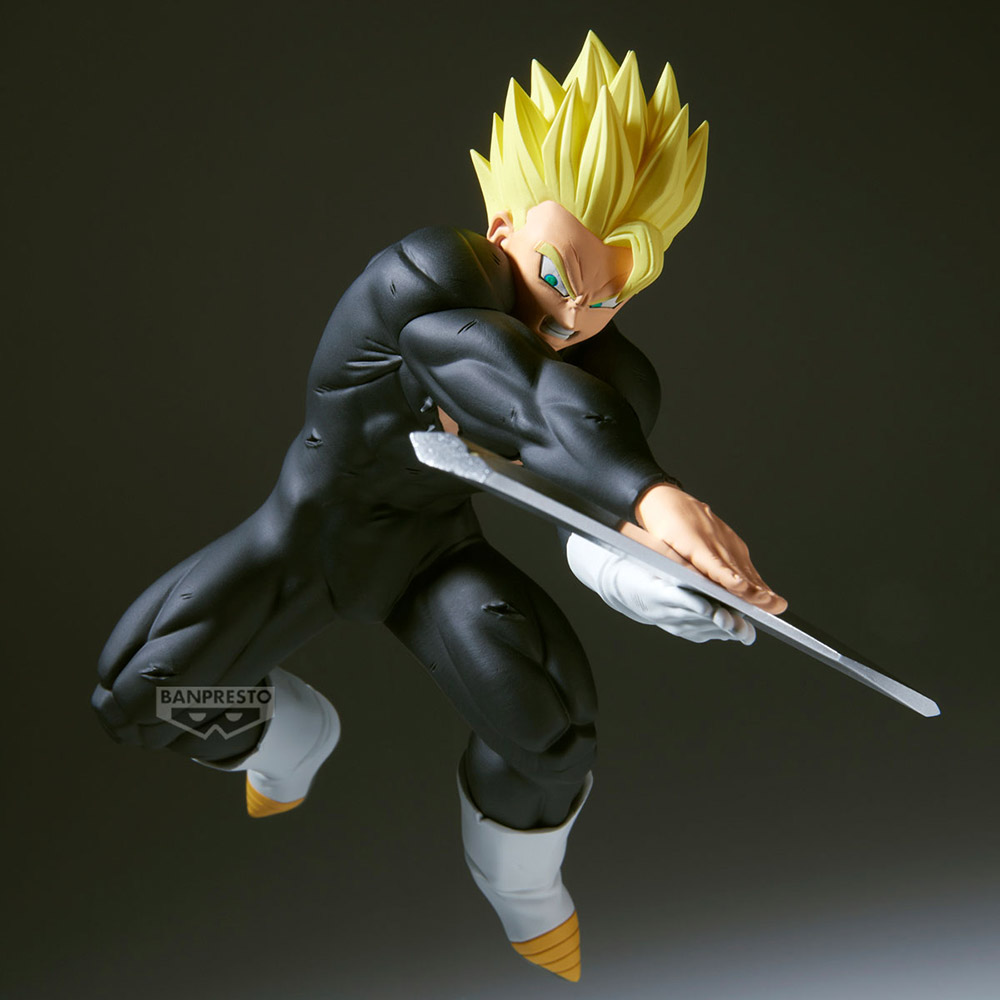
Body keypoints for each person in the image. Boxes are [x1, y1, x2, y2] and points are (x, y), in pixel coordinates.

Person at [92, 32, 785, 982]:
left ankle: (521, 884)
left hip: (432, 557)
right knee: (141, 695)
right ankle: (285, 735)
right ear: (502, 227)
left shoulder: (608, 372)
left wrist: (659, 581)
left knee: (553, 730)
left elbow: (581, 515)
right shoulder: (426, 278)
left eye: (608, 299)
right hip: (308, 537)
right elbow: (519, 391)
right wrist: (653, 493)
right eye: (559, 277)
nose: (572, 319)